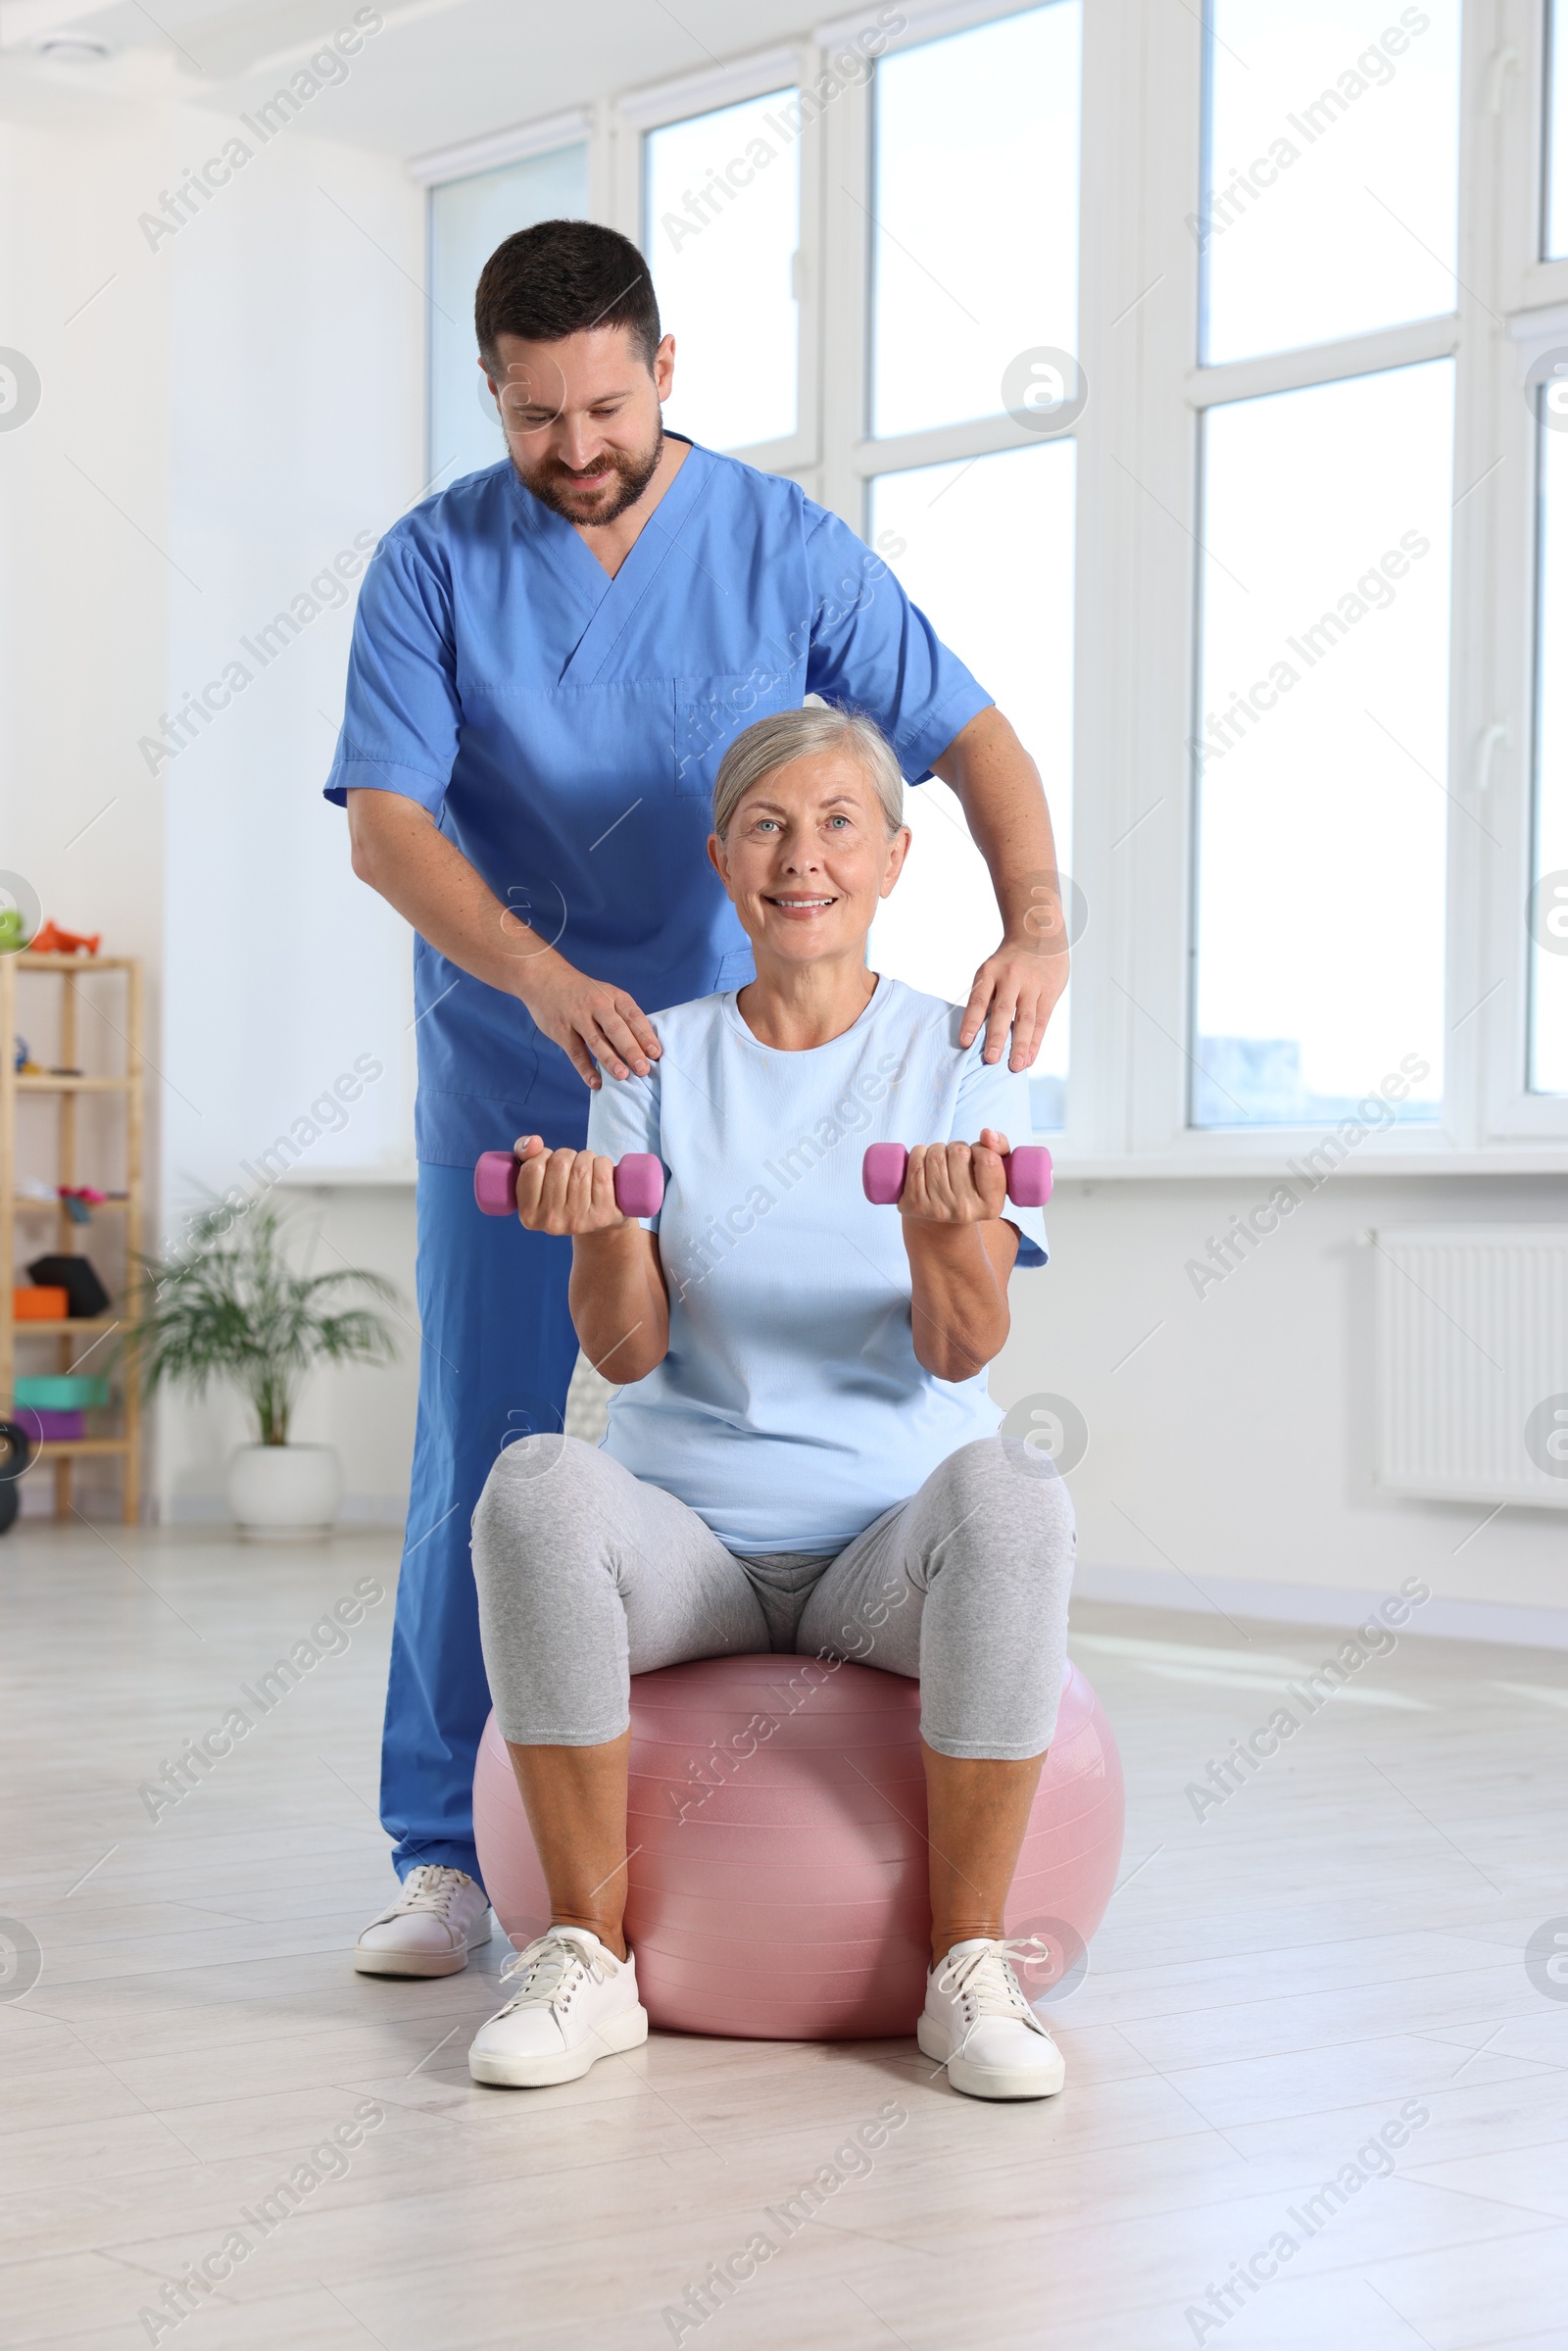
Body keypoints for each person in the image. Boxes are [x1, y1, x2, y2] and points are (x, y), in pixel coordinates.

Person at [332, 219, 1069, 1980]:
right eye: (533, 419)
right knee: (490, 1452)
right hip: (530, 1068)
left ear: (666, 371)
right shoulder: (433, 564)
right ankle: (443, 1852)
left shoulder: (782, 547)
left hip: (761, 1070)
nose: (574, 450)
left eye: (603, 405)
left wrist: (1037, 927)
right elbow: (386, 824)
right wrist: (534, 977)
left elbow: (969, 739)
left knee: (834, 1394)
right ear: (492, 396)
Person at [465, 706, 1075, 2102]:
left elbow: (964, 1347)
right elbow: (623, 1355)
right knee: (537, 1483)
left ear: (896, 859)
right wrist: (599, 1231)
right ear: (723, 858)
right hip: (697, 1553)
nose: (804, 859)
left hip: (886, 1560)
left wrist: (938, 1235)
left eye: (838, 824)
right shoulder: (651, 1062)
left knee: (1016, 1487)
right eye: (768, 826)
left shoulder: (965, 1057)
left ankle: (967, 1966)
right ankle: (587, 1958)